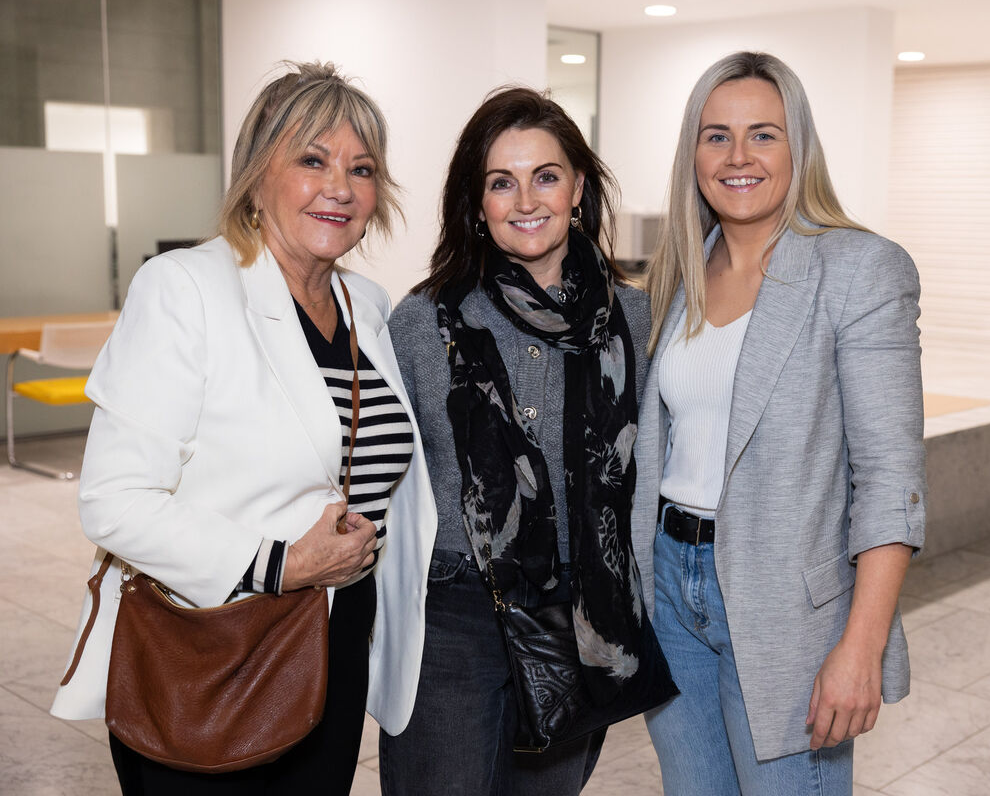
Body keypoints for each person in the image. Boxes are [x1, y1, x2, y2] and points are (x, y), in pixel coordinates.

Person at [50, 61, 437, 795]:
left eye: (361, 169)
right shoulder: (185, 291)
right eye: (312, 160)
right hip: (211, 658)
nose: (340, 188)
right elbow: (113, 499)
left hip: (335, 647)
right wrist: (282, 564)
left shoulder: (368, 305)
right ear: (258, 176)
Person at [632, 51, 926, 795]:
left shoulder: (860, 269)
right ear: (691, 153)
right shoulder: (678, 276)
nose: (737, 157)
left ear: (799, 146)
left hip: (789, 609)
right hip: (671, 591)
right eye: (716, 135)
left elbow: (889, 477)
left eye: (763, 135)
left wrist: (860, 645)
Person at [376, 87, 667, 795]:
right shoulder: (423, 322)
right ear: (477, 203)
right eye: (501, 182)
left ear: (577, 189)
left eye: (545, 175)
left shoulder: (638, 320)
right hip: (454, 613)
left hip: (583, 616)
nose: (526, 199)